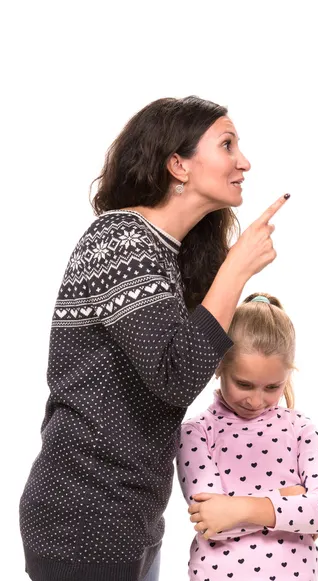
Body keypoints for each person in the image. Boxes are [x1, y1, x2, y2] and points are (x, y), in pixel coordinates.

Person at [19, 95, 290, 581]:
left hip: (133, 518)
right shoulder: (120, 240)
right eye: (227, 145)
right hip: (82, 515)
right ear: (178, 165)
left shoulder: (168, 255)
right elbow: (175, 376)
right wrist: (236, 269)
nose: (243, 162)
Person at [177, 292, 318, 581]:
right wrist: (287, 499)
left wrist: (235, 508)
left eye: (272, 387)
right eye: (244, 384)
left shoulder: (300, 429)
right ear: (219, 365)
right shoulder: (196, 432)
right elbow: (212, 522)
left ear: (287, 377)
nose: (255, 400)